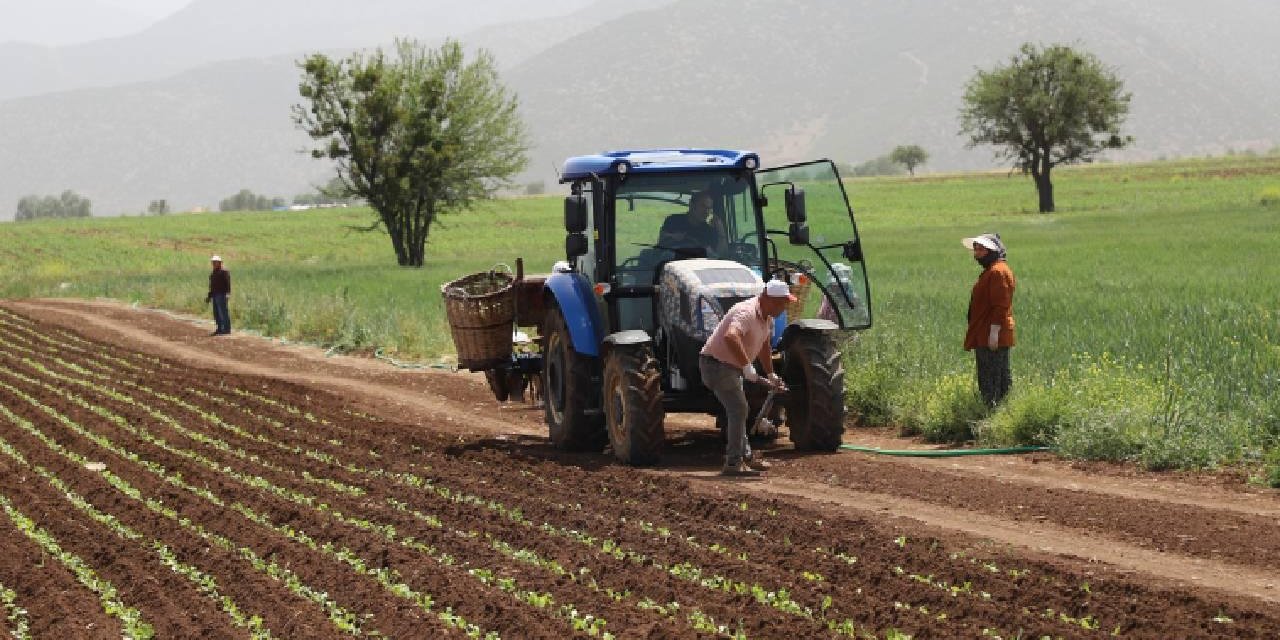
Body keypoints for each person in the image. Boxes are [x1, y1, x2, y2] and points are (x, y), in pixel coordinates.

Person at [699, 279, 793, 476]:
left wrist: (770, 374)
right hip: (715, 365)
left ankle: (746, 457)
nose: (784, 307)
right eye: (781, 303)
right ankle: (733, 463)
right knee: (739, 409)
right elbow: (731, 336)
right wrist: (747, 366)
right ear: (767, 298)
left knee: (739, 410)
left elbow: (765, 347)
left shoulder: (767, 318)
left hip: (730, 367)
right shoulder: (746, 312)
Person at [962, 233, 1015, 406]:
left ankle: (993, 414)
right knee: (995, 378)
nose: (976, 253)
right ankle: (997, 413)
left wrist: (994, 332)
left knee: (992, 380)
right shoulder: (992, 271)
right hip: (985, 334)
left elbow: (1001, 305)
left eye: (981, 249)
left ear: (992, 251)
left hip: (991, 336)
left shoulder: (997, 272)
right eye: (975, 249)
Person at [658, 191, 726, 257]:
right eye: (703, 206)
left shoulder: (708, 230)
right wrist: (672, 237)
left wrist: (721, 231)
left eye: (709, 208)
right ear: (691, 205)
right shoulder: (673, 221)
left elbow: (719, 256)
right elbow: (661, 243)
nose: (706, 211)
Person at [206, 255, 232, 336]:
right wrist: (209, 296)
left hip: (222, 294)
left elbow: (228, 283)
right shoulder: (213, 273)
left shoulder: (224, 271)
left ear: (220, 262)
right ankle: (220, 328)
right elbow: (211, 286)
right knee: (216, 313)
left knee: (223, 312)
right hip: (215, 295)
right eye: (213, 262)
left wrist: (228, 293)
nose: (214, 263)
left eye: (215, 262)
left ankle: (226, 329)